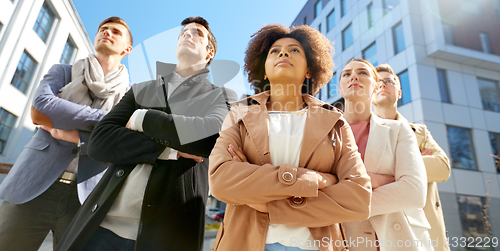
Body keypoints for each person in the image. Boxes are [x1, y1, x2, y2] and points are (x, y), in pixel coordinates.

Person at [55, 16, 238, 251]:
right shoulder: (141, 90)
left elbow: (210, 140)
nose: (188, 35)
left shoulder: (223, 95)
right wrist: (169, 149)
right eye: (184, 32)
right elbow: (100, 142)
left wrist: (142, 119)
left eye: (197, 34)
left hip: (167, 234)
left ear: (209, 52)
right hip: (100, 225)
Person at [209, 24, 372, 251]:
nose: (283, 53)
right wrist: (318, 180)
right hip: (245, 242)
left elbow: (359, 199)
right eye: (274, 51)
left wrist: (266, 203)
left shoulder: (335, 121)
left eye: (294, 50)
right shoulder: (238, 113)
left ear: (309, 68)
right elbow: (220, 180)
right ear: (264, 69)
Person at [0, 16, 133, 250]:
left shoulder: (131, 95)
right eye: (103, 29)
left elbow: (124, 140)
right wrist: (108, 121)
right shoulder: (63, 71)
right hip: (33, 185)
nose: (107, 33)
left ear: (127, 49)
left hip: (85, 196)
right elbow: (41, 107)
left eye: (115, 32)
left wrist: (75, 134)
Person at [339, 58, 432, 251]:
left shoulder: (398, 129)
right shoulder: (325, 134)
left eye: (363, 73)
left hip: (399, 240)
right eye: (346, 74)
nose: (353, 76)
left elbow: (414, 192)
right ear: (340, 88)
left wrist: (341, 199)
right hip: (347, 241)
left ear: (375, 87)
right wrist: (381, 180)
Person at [373, 64, 450, 251]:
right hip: (380, 233)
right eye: (377, 81)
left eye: (389, 81)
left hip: (427, 234)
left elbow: (442, 168)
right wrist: (413, 160)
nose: (382, 84)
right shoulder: (358, 132)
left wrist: (383, 170)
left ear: (399, 92)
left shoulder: (420, 132)